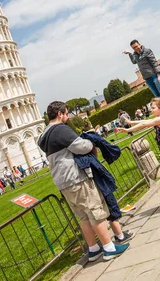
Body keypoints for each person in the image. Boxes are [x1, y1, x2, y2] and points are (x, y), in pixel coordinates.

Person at [38, 101, 129, 261]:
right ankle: (109, 247)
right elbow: (82, 147)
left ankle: (93, 249)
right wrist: (91, 140)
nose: (67, 117)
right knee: (94, 210)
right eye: (66, 113)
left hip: (62, 182)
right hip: (75, 177)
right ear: (60, 114)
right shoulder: (60, 130)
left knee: (83, 216)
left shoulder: (43, 135)